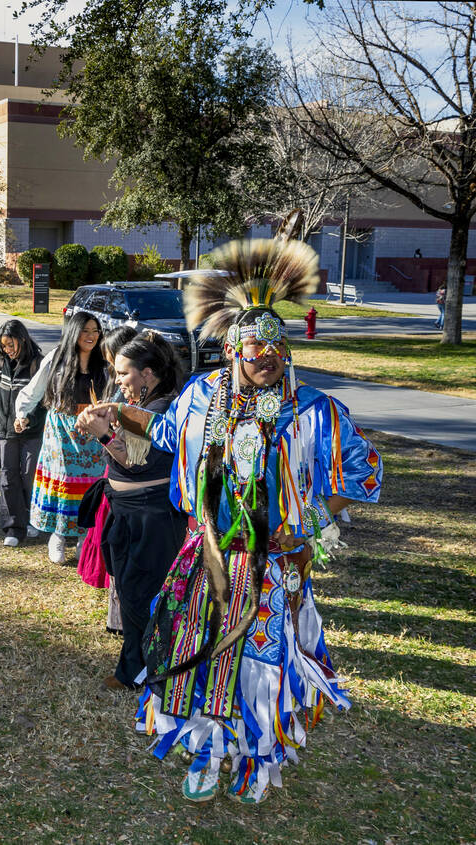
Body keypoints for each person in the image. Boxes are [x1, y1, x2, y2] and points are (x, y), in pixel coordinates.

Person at [93, 238, 382, 804]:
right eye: (256, 348)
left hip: (276, 562)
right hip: (209, 553)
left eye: (277, 347)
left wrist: (309, 520)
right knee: (199, 653)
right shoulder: (201, 397)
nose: (268, 357)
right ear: (232, 351)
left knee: (262, 660)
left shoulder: (314, 410)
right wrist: (117, 412)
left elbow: (365, 472)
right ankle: (207, 750)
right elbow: (165, 434)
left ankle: (257, 758)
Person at [76, 332, 185, 692]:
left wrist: (104, 434)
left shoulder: (163, 409)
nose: (118, 381)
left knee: (142, 594)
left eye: (123, 373)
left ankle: (147, 672)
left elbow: (137, 462)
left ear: (148, 373)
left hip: (151, 516)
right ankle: (139, 668)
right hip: (127, 511)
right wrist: (103, 419)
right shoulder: (142, 406)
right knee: (131, 591)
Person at [14, 311, 108, 564]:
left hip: (92, 431)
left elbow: (114, 395)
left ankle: (83, 538)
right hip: (61, 432)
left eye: (95, 331)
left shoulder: (104, 362)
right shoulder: (57, 358)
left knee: (91, 485)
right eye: (86, 330)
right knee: (65, 483)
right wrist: (22, 413)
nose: (91, 336)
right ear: (74, 332)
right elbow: (33, 390)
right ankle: (58, 535)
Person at [77, 325, 139, 635]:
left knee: (120, 549)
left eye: (112, 359)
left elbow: (133, 452)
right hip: (114, 476)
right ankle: (116, 617)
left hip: (128, 483)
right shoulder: (122, 388)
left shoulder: (137, 394)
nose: (113, 370)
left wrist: (104, 428)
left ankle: (121, 618)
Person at [0, 320, 46, 547]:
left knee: (29, 477)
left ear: (22, 339)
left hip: (31, 432)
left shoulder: (38, 364)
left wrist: (27, 419)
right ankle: (13, 526)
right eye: (4, 346)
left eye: (11, 344)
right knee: (8, 477)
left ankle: (32, 517)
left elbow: (45, 401)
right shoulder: (1, 362)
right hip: (5, 432)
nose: (8, 350)